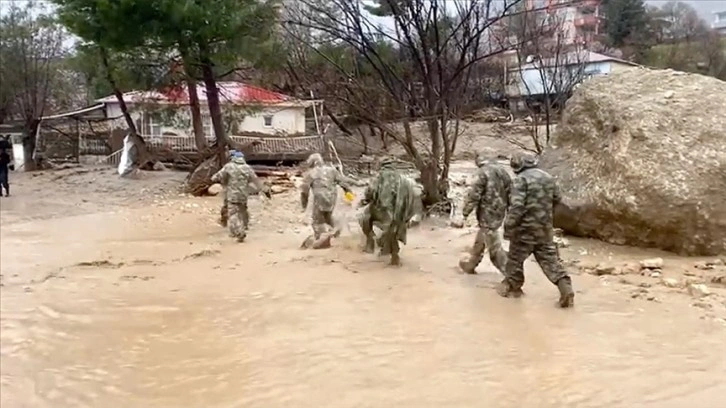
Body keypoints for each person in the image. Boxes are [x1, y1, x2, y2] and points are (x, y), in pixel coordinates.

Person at [500, 153, 575, 308]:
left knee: (515, 260)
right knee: (550, 261)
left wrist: (508, 227)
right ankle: (565, 288)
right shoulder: (548, 177)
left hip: (524, 230)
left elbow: (517, 207)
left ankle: (514, 289)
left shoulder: (520, 180)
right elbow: (557, 200)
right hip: (545, 229)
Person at [358, 156, 417, 266]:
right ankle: (391, 252)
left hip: (384, 210)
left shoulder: (379, 177)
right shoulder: (403, 178)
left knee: (363, 218)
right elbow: (412, 195)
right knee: (392, 230)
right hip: (400, 212)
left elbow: (370, 192)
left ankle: (371, 243)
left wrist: (364, 201)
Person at [459, 152, 511, 274]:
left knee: (494, 248)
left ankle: (510, 275)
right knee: (482, 236)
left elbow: (473, 195)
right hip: (500, 212)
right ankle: (471, 264)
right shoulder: (503, 172)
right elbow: (511, 193)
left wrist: (464, 213)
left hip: (487, 213)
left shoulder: (482, 173)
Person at [211, 150, 271, 242]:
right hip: (243, 195)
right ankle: (245, 226)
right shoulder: (247, 168)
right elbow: (256, 181)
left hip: (232, 195)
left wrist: (215, 179)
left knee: (233, 214)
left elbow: (216, 177)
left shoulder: (229, 167)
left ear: (232, 158)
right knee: (243, 211)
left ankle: (239, 232)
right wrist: (264, 190)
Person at [300, 153, 355, 248]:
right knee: (328, 215)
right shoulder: (332, 170)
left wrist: (304, 205)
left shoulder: (311, 173)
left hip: (319, 198)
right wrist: (350, 196)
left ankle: (322, 239)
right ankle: (335, 233)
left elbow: (304, 191)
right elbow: (344, 184)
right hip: (332, 197)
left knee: (317, 221)